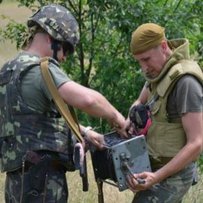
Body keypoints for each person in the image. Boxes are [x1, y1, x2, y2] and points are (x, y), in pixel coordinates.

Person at [0, 4, 127, 203]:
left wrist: (84, 132)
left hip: (18, 181)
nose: (64, 57)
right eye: (65, 49)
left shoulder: (8, 71)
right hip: (42, 182)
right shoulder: (41, 69)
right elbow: (89, 100)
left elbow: (31, 120)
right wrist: (117, 117)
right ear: (51, 38)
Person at [127, 23, 203, 202]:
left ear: (163, 46)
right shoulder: (160, 72)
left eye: (146, 59)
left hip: (176, 173)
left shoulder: (186, 82)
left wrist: (156, 177)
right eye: (139, 61)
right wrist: (129, 119)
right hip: (157, 165)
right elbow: (140, 100)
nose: (143, 68)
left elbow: (197, 143)